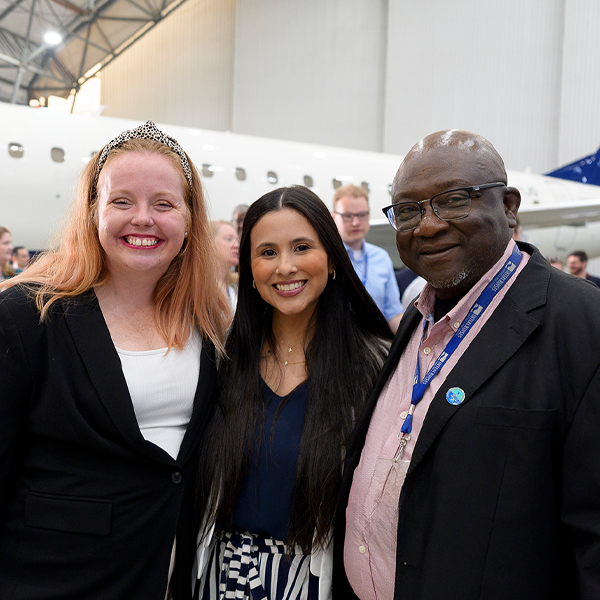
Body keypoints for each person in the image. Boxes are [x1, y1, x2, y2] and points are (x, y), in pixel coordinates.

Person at [334, 129, 600, 600]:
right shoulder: (418, 317)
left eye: (454, 200)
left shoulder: (583, 327)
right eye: (409, 211)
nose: (428, 226)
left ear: (509, 207)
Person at [0, 122, 229, 599]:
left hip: (166, 574)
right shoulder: (27, 314)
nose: (142, 218)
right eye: (122, 201)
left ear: (189, 220)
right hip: (52, 578)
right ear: (93, 211)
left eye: (163, 204)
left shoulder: (208, 320)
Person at [195, 186, 392, 600]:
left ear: (334, 259)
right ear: (248, 268)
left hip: (316, 581)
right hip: (216, 578)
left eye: (301, 247)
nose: (285, 266)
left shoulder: (375, 369)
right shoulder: (220, 360)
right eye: (267, 252)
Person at [331, 184, 403, 332]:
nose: (356, 222)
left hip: (376, 344)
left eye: (361, 215)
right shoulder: (328, 258)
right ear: (333, 217)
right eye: (348, 216)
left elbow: (393, 314)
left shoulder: (381, 257)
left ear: (369, 215)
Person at [212, 220, 239, 312]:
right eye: (229, 239)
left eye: (237, 240)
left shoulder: (237, 284)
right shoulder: (195, 287)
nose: (237, 245)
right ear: (209, 243)